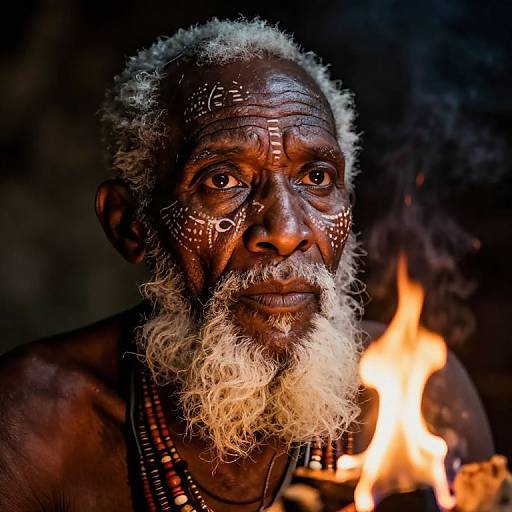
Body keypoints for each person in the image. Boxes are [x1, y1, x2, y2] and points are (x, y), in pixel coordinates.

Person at [0, 18, 493, 512]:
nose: (285, 231)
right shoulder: (33, 424)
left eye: (316, 176)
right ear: (130, 224)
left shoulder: (419, 390)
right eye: (222, 180)